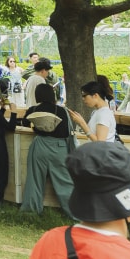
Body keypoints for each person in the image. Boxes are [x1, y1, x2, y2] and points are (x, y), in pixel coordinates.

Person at [20, 84, 76, 215]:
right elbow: (67, 131)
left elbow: (24, 123)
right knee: (64, 181)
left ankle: (31, 210)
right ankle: (76, 213)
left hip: (40, 145)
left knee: (34, 180)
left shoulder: (33, 109)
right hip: (59, 148)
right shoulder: (62, 111)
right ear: (52, 94)